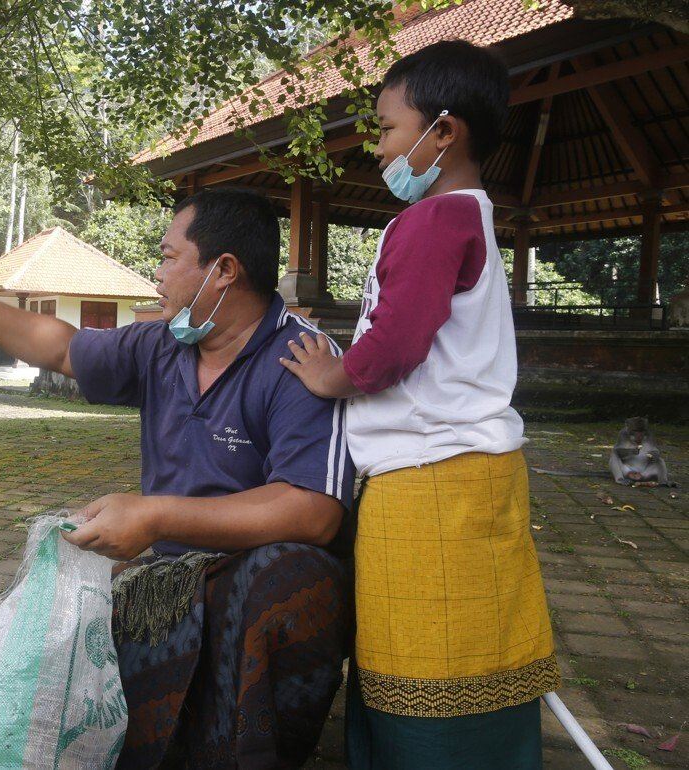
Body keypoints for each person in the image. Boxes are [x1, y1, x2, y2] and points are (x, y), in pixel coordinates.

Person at [0, 186, 355, 768]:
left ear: (224, 270)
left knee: (287, 579)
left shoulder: (303, 358)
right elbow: (63, 349)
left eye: (166, 256)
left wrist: (155, 514)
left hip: (247, 575)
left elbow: (315, 510)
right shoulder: (160, 345)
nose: (155, 274)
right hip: (163, 574)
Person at [280, 39, 559, 769]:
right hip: (468, 470)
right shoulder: (470, 216)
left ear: (443, 131)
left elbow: (396, 345)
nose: (377, 148)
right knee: (473, 645)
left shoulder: (432, 222)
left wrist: (334, 374)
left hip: (432, 477)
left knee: (425, 660)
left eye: (385, 126)